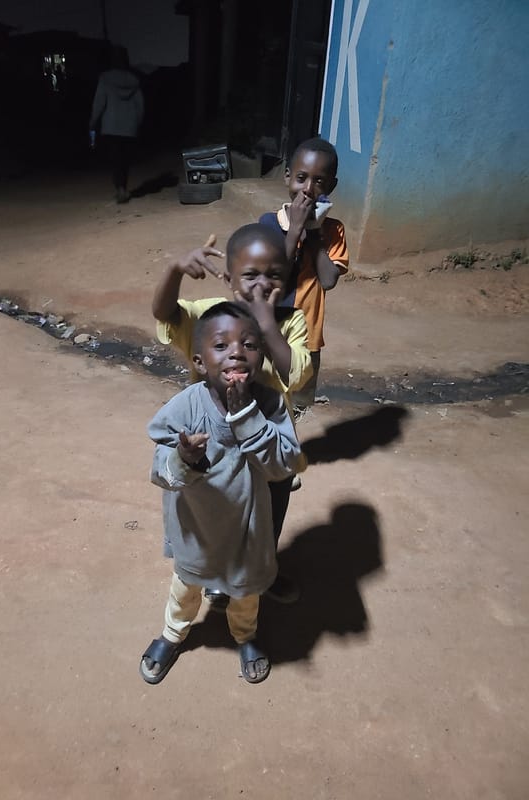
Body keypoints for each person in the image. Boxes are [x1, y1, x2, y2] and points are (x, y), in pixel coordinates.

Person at [140, 302, 302, 685]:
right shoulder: (186, 407)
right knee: (185, 589)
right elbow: (160, 471)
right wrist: (183, 458)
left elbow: (283, 465)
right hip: (196, 528)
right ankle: (173, 633)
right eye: (221, 345)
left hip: (247, 529)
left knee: (245, 595)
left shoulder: (270, 404)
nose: (236, 352)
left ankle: (244, 636)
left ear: (260, 354)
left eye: (249, 343)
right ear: (199, 360)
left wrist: (247, 417)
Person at [152, 223, 311, 604]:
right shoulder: (210, 317)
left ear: (286, 279)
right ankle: (216, 572)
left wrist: (267, 322)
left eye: (273, 276)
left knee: (269, 515)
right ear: (228, 277)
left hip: (268, 436)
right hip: (216, 440)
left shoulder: (291, 321)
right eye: (250, 275)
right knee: (217, 510)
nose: (261, 285)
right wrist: (175, 269)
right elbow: (165, 313)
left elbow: (297, 375)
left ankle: (262, 572)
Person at [259, 137, 349, 411]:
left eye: (319, 181)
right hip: (269, 332)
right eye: (301, 178)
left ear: (331, 186)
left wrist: (313, 233)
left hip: (307, 339)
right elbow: (275, 276)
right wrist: (295, 229)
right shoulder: (269, 224)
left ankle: (288, 449)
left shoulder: (333, 231)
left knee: (297, 406)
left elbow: (329, 279)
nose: (308, 189)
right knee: (262, 399)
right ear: (288, 177)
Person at [89, 45, 144, 204]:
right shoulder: (135, 80)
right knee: (125, 159)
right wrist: (137, 123)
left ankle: (120, 188)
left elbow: (99, 103)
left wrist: (93, 122)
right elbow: (140, 105)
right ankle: (123, 188)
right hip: (129, 126)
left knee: (115, 159)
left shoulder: (105, 78)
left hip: (111, 126)